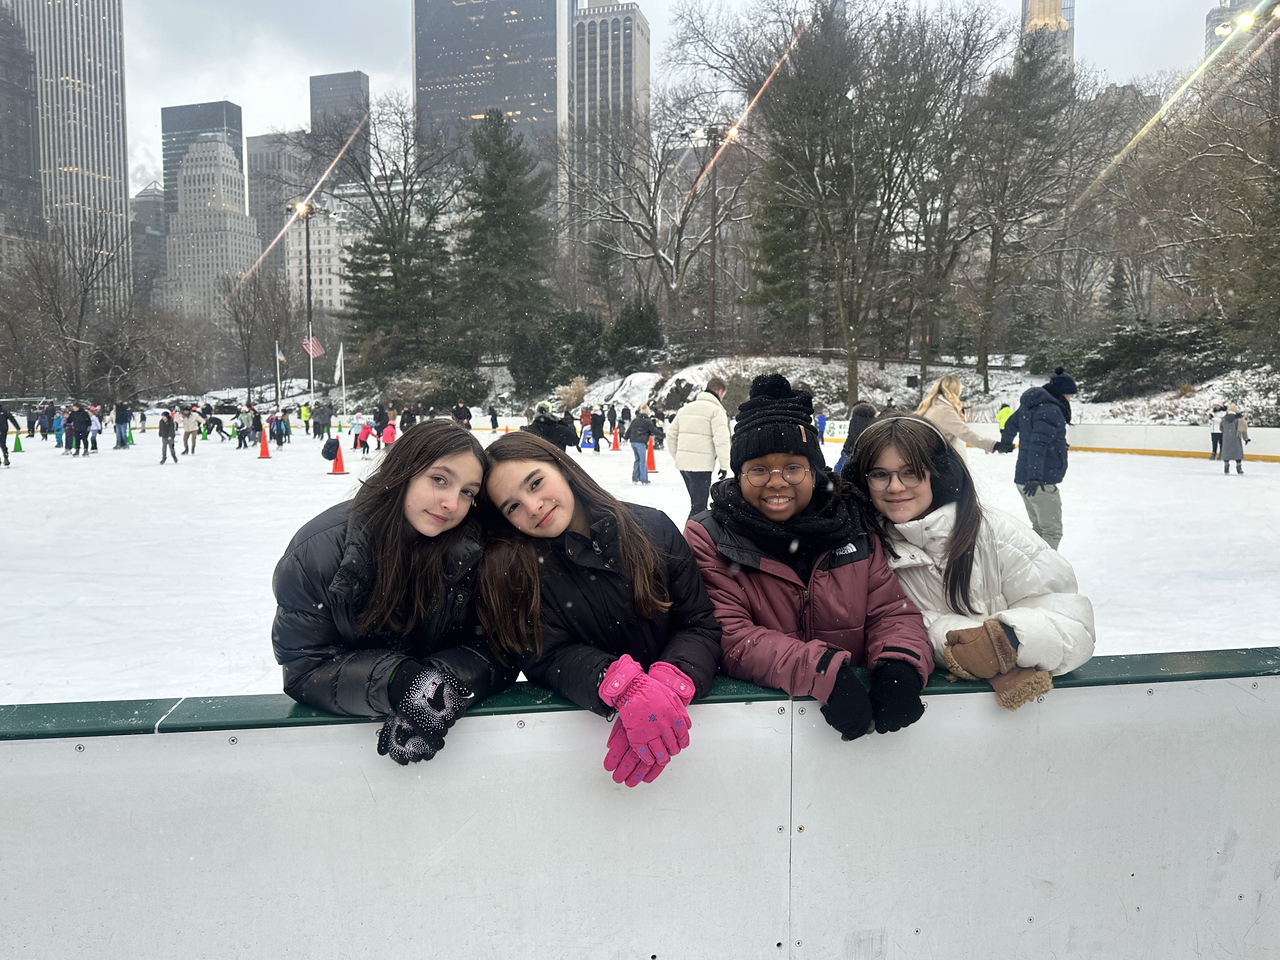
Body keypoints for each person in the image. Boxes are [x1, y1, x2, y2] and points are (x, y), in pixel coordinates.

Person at [686, 374, 932, 743]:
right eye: (758, 469)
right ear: (739, 475)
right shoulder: (712, 536)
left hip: (858, 738)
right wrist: (822, 672)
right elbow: (731, 636)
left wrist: (900, 663)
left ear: (814, 472)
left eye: (793, 467)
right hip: (763, 734)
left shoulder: (851, 525)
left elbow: (890, 611)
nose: (777, 481)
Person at [477, 432, 722, 787]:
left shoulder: (653, 529)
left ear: (563, 468)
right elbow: (543, 655)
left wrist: (669, 683)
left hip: (694, 748)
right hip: (581, 759)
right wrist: (619, 684)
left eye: (535, 483)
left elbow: (698, 624)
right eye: (512, 506)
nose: (532, 507)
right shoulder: (518, 571)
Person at [272, 420, 516, 765]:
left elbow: (499, 646)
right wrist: (396, 681)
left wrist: (436, 683)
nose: (451, 503)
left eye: (468, 492)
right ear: (404, 470)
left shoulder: (474, 550)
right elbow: (305, 668)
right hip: (345, 763)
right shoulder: (317, 553)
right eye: (439, 479)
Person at [843, 415, 1095, 709]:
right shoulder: (863, 551)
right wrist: (953, 640)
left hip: (1021, 719)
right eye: (880, 474)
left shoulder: (998, 534)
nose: (896, 487)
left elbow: (1073, 623)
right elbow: (887, 629)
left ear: (937, 474)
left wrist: (1008, 640)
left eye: (910, 472)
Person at [994, 368, 1075, 551]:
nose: (1070, 399)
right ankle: (1045, 570)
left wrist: (1006, 443)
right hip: (1039, 482)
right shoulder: (1051, 410)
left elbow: (1010, 425)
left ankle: (1034, 566)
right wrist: (1035, 477)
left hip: (1023, 480)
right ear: (1063, 393)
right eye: (1070, 395)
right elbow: (1038, 445)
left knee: (1038, 528)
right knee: (1052, 531)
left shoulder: (1029, 405)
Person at [667, 377, 733, 516]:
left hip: (684, 466)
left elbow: (671, 435)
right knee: (699, 508)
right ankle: (690, 536)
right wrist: (724, 465)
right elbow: (721, 440)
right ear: (720, 392)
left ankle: (692, 535)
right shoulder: (716, 411)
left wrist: (678, 457)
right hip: (701, 467)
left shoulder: (685, 409)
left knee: (696, 504)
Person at [915, 374, 995, 458]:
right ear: (956, 390)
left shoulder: (931, 405)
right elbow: (964, 433)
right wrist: (991, 445)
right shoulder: (944, 409)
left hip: (926, 456)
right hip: (938, 460)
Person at [834, 401, 877, 475]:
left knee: (840, 469)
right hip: (867, 449)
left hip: (852, 448)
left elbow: (851, 435)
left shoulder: (854, 419)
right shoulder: (873, 420)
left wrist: (846, 448)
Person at [623, 404, 658, 484]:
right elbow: (654, 431)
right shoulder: (647, 421)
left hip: (633, 442)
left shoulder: (635, 420)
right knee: (642, 460)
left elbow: (629, 430)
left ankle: (635, 477)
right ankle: (643, 479)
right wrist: (665, 435)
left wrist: (625, 438)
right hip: (640, 442)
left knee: (637, 459)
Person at [1220, 403, 1249, 475]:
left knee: (1226, 452)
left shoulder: (1223, 419)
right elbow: (1243, 430)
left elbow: (1221, 429)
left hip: (1226, 438)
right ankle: (1239, 467)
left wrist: (1226, 433)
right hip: (1236, 438)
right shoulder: (1239, 419)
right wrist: (1246, 438)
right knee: (1237, 452)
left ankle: (1226, 466)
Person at [0, 401, 20, 466]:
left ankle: (6, 458)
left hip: (3, 430)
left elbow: (12, 419)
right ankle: (4, 458)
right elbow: (12, 419)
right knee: (3, 444)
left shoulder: (5, 412)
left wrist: (18, 428)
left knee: (3, 444)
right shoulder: (5, 412)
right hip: (3, 429)